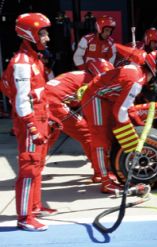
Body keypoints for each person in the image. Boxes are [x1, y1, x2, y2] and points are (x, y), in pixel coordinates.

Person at [81, 51, 157, 194]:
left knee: (114, 134)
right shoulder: (136, 81)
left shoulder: (137, 71)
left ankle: (105, 172)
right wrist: (131, 136)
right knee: (101, 139)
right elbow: (120, 112)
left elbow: (126, 105)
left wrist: (138, 124)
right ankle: (104, 181)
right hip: (95, 98)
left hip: (107, 96)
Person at [2, 13, 53, 230]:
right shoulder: (22, 63)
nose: (47, 38)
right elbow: (22, 101)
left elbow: (39, 94)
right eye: (42, 33)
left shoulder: (35, 59)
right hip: (29, 121)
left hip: (40, 118)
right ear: (29, 34)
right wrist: (32, 127)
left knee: (38, 165)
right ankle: (24, 217)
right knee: (29, 167)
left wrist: (49, 117)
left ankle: (35, 205)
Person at [45, 59, 114, 182]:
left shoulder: (78, 75)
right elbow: (92, 110)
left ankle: (34, 171)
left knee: (49, 138)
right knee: (86, 132)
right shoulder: (90, 82)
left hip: (44, 101)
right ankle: (101, 173)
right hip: (54, 103)